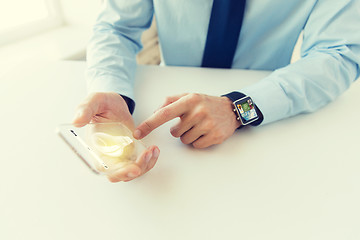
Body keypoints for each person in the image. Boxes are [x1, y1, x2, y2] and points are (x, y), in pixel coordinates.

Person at [73, 0, 360, 182]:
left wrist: (238, 109)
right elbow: (117, 27)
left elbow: (338, 54)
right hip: (165, 113)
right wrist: (112, 90)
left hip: (267, 126)